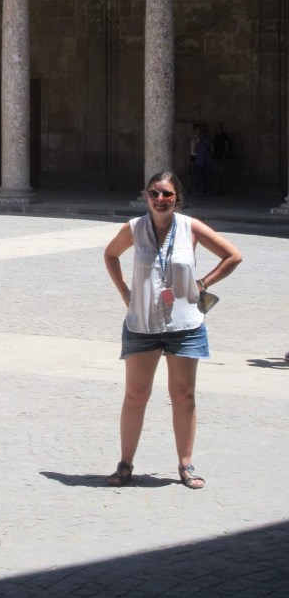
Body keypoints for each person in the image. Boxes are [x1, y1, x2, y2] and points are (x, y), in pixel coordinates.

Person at [103, 170, 242, 489]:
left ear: (177, 197)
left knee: (183, 395)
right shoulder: (135, 228)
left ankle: (186, 464)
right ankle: (125, 464)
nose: (160, 199)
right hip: (142, 324)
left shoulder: (190, 228)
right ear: (146, 195)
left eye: (167, 194)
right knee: (136, 395)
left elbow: (233, 256)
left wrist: (203, 282)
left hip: (185, 324)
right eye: (154, 193)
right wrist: (124, 291)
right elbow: (110, 254)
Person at [212, 122, 231, 194]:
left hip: (221, 157)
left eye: (218, 126)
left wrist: (224, 155)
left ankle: (224, 188)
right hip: (216, 157)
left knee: (222, 173)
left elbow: (226, 146)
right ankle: (219, 188)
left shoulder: (224, 136)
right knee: (218, 173)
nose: (217, 127)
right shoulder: (216, 136)